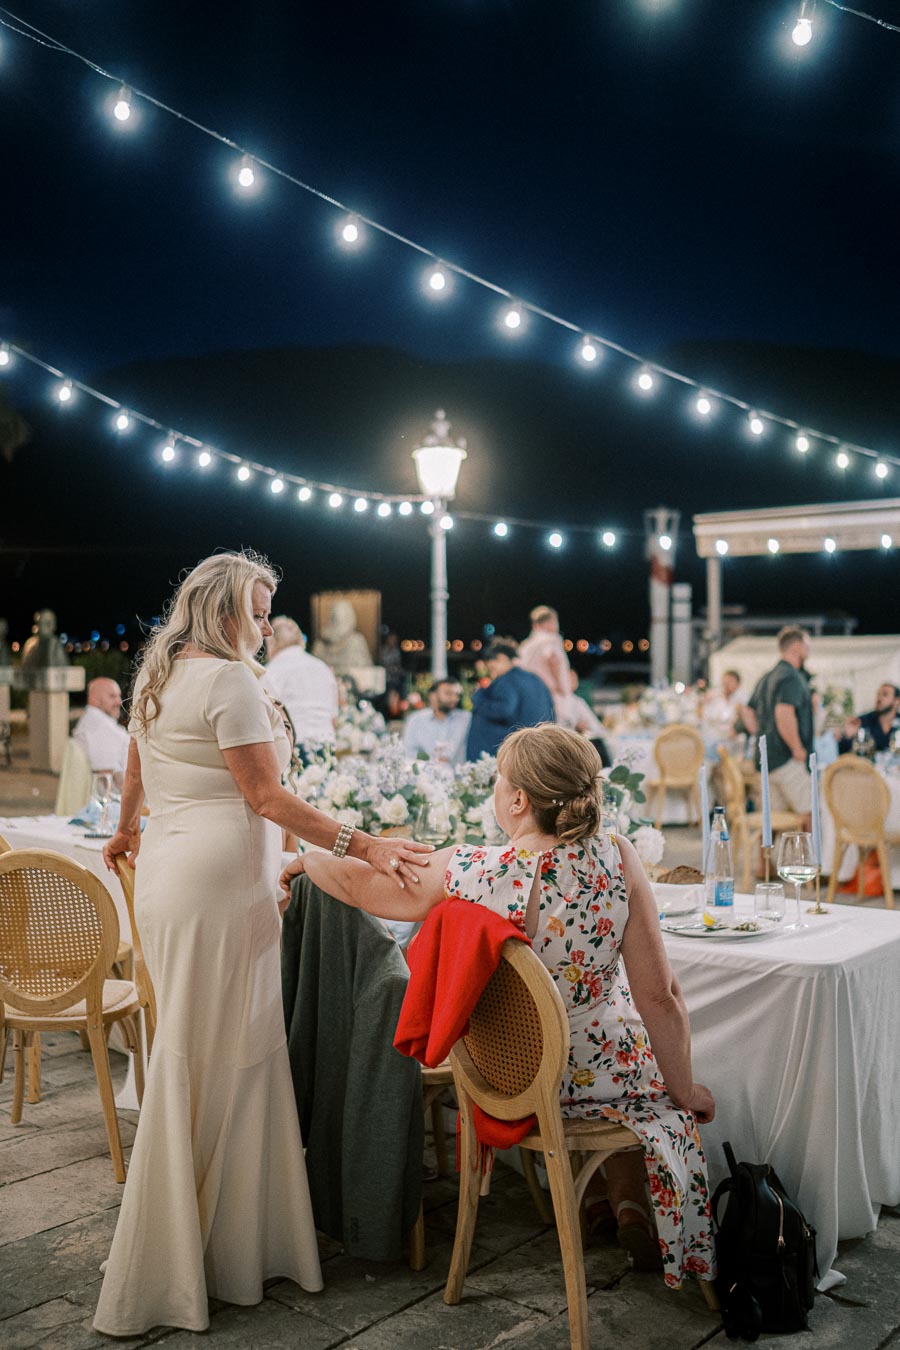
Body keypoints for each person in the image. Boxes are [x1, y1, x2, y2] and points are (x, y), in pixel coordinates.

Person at [93, 551, 431, 1337]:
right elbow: (266, 796)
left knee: (200, 1046)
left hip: (175, 873)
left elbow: (137, 760)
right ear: (220, 608)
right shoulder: (231, 679)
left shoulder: (160, 671)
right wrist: (365, 844)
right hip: (218, 881)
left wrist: (123, 828)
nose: (266, 621)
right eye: (256, 606)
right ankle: (210, 1250)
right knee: (232, 1050)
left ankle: (218, 1243)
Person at [280, 725, 716, 1287]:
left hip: (518, 1077)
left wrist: (307, 862)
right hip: (609, 1074)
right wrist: (685, 1090)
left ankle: (606, 1204)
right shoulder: (619, 856)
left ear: (518, 800)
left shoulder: (479, 870)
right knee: (633, 1046)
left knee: (612, 1048)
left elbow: (367, 888)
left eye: (498, 781)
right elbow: (661, 996)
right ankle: (626, 1201)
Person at [745, 627, 813, 817]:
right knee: (808, 812)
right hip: (787, 759)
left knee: (772, 820)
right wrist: (797, 748)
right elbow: (783, 713)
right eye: (807, 645)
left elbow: (748, 711)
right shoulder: (791, 677)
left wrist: (761, 735)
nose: (809, 651)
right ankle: (809, 848)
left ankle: (771, 849)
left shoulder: (767, 677)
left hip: (767, 759)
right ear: (797, 647)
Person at [465, 637, 555, 761]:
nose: (489, 669)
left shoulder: (506, 679)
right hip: (541, 744)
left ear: (502, 657)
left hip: (519, 747)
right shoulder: (534, 678)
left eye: (490, 663)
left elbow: (504, 710)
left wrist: (479, 697)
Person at [262, 615, 339, 752]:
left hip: (294, 748)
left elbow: (264, 720)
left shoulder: (270, 672)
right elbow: (333, 720)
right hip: (327, 745)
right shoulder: (322, 667)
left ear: (271, 642)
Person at [517, 605, 572, 715]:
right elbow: (553, 659)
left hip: (530, 697)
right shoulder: (551, 639)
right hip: (553, 695)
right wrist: (560, 687)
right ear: (549, 622)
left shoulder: (526, 645)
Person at [403, 678, 471, 766]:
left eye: (457, 695)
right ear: (433, 696)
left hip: (457, 777)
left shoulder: (465, 718)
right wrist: (429, 761)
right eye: (448, 694)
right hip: (424, 775)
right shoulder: (416, 720)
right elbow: (409, 751)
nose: (454, 698)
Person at [72, 678, 130, 777]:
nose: (119, 701)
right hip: (119, 791)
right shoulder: (98, 726)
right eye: (112, 696)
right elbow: (106, 773)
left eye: (119, 696)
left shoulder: (94, 721)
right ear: (94, 699)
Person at [837, 683, 900, 754]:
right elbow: (843, 752)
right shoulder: (862, 721)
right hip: (867, 764)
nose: (879, 698)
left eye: (885, 694)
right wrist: (846, 736)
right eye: (878, 694)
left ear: (897, 701)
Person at [702, 670, 744, 740]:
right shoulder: (714, 697)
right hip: (714, 737)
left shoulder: (742, 699)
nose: (726, 685)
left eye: (730, 682)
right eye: (724, 682)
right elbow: (704, 716)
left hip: (734, 739)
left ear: (738, 684)